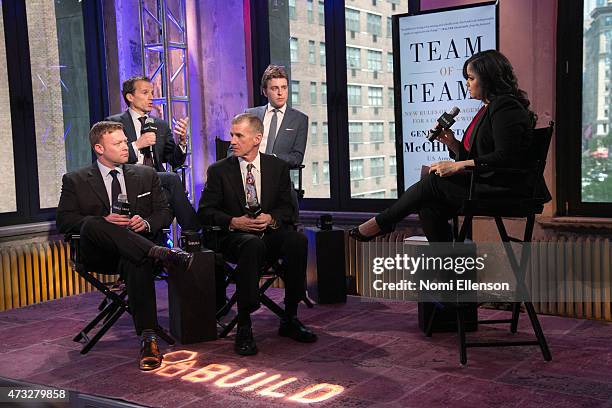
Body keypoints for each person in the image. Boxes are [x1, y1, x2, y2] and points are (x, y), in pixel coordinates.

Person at [350, 50, 537, 242]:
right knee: (429, 207)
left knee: (432, 182)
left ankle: (383, 222)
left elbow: (505, 157)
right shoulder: (488, 108)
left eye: (471, 78)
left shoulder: (506, 106)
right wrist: (452, 143)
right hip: (485, 184)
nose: (467, 83)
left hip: (504, 190)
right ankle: (450, 270)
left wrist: (457, 166)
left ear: (489, 78)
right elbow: (477, 156)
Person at [56, 121, 195, 371]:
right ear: (99, 148)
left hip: (134, 252)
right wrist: (104, 221)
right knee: (92, 224)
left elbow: (164, 213)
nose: (125, 146)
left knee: (137, 260)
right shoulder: (75, 180)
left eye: (124, 141)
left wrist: (147, 223)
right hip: (100, 254)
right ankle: (158, 252)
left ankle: (149, 340)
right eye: (118, 143)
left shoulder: (145, 174)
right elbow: (65, 222)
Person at [198, 113, 317, 356]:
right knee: (251, 245)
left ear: (257, 138)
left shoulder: (278, 168)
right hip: (233, 238)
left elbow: (287, 208)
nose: (232, 140)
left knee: (297, 240)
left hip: (268, 233)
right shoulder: (219, 170)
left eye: (238, 135)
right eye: (231, 134)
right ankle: (244, 323)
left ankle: (290, 316)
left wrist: (271, 219)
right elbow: (205, 212)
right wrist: (233, 221)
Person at [107, 76, 200, 231]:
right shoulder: (115, 124)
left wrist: (182, 142)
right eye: (145, 93)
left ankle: (159, 240)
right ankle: (195, 231)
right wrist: (137, 145)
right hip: (128, 177)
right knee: (171, 179)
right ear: (130, 97)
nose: (151, 97)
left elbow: (174, 161)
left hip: (155, 181)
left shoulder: (161, 125)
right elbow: (111, 157)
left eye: (152, 92)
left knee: (168, 195)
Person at [245, 64, 308, 168]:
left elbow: (297, 158)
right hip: (250, 173)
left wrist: (272, 159)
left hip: (278, 176)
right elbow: (233, 150)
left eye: (284, 87)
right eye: (274, 88)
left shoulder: (300, 119)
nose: (280, 93)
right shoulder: (251, 115)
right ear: (265, 92)